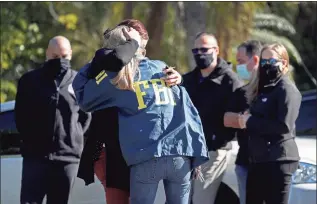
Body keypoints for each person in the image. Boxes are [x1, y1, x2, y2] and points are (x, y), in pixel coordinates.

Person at [73, 25, 209, 204]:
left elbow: (83, 98)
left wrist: (94, 62)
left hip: (145, 156)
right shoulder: (161, 67)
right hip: (180, 154)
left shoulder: (117, 77)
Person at [15, 36, 91, 204]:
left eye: (64, 57)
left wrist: (72, 137)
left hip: (67, 159)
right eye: (55, 57)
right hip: (36, 158)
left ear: (70, 55)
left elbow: (86, 119)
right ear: (47, 55)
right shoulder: (29, 81)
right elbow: (21, 117)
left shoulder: (81, 83)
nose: (60, 61)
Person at [225, 43, 301, 204]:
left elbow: (284, 126)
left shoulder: (286, 89)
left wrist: (250, 121)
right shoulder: (265, 89)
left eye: (272, 61)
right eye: (264, 62)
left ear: (284, 63)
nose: (267, 66)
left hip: (279, 161)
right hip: (258, 161)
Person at [182, 32, 243, 204]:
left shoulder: (230, 82)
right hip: (188, 152)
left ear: (216, 50)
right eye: (195, 50)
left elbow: (236, 119)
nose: (199, 54)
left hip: (214, 151)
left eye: (204, 49)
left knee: (201, 201)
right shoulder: (188, 80)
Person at [224, 40, 263, 204]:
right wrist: (245, 119)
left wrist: (247, 120)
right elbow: (227, 119)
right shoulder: (241, 93)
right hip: (244, 164)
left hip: (268, 165)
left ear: (254, 60)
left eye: (240, 61)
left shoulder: (274, 91)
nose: (237, 66)